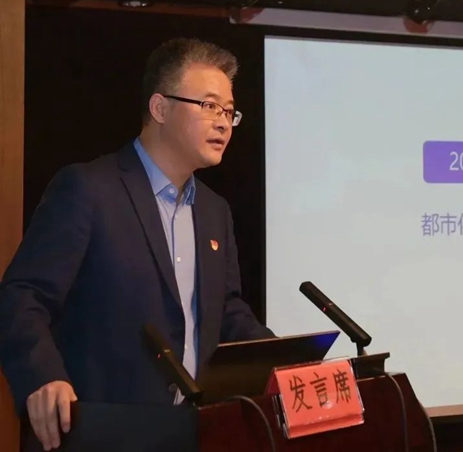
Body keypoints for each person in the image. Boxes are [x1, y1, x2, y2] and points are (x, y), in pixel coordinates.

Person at [0, 37, 274, 450]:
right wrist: (43, 377)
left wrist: (286, 362)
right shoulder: (89, 189)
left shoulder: (214, 211)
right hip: (98, 430)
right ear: (160, 108)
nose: (223, 123)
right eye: (209, 106)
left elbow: (227, 312)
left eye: (229, 112)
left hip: (190, 431)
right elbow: (23, 295)